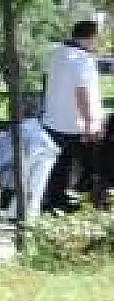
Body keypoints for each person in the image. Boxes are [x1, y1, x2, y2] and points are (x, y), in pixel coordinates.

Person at [42, 20, 103, 211]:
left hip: (53, 120)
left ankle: (56, 202)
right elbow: (82, 92)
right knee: (92, 166)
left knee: (59, 167)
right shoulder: (82, 59)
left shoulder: (56, 54)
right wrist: (88, 123)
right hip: (76, 125)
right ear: (91, 37)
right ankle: (86, 202)